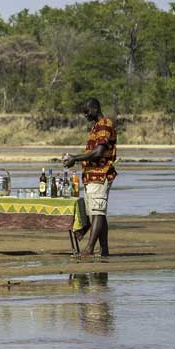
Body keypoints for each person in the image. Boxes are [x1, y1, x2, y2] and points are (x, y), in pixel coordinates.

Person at [63, 98, 117, 259]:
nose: (85, 115)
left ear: (95, 109)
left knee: (98, 213)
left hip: (100, 174)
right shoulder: (96, 127)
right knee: (98, 212)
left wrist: (75, 158)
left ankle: (89, 249)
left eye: (87, 111)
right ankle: (104, 249)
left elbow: (99, 152)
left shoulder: (104, 125)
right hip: (92, 175)